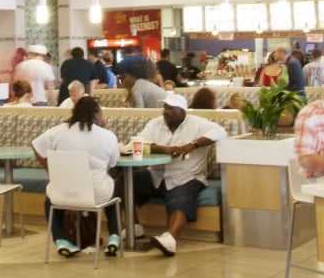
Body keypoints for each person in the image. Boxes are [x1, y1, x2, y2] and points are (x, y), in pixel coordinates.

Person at [131, 94, 226, 256]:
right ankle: (134, 227)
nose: (166, 112)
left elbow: (220, 132)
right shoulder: (155, 124)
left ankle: (170, 239)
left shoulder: (197, 123)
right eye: (165, 108)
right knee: (124, 181)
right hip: (156, 174)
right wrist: (164, 149)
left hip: (187, 175)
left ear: (182, 112)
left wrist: (193, 144)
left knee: (180, 198)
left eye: (171, 109)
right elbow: (139, 142)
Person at [32, 96, 121, 258]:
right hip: (96, 195)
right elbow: (112, 164)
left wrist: (51, 171)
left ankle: (60, 240)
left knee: (50, 199)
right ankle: (114, 236)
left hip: (63, 194)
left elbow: (36, 146)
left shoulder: (58, 132)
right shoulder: (108, 136)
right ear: (97, 114)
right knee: (114, 188)